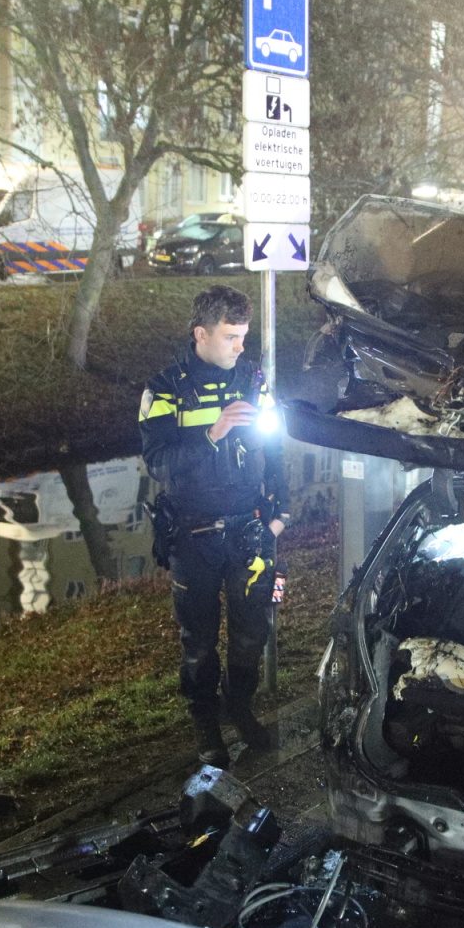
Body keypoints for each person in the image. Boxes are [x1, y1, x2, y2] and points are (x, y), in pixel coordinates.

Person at [139, 284, 285, 767]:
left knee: (250, 633)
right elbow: (158, 463)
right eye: (230, 336)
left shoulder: (252, 379)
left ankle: (239, 707)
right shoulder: (164, 389)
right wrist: (212, 433)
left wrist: (282, 513)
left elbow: (276, 447)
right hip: (192, 533)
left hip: (251, 529)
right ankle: (205, 722)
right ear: (201, 334)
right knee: (199, 641)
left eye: (244, 336)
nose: (241, 347)